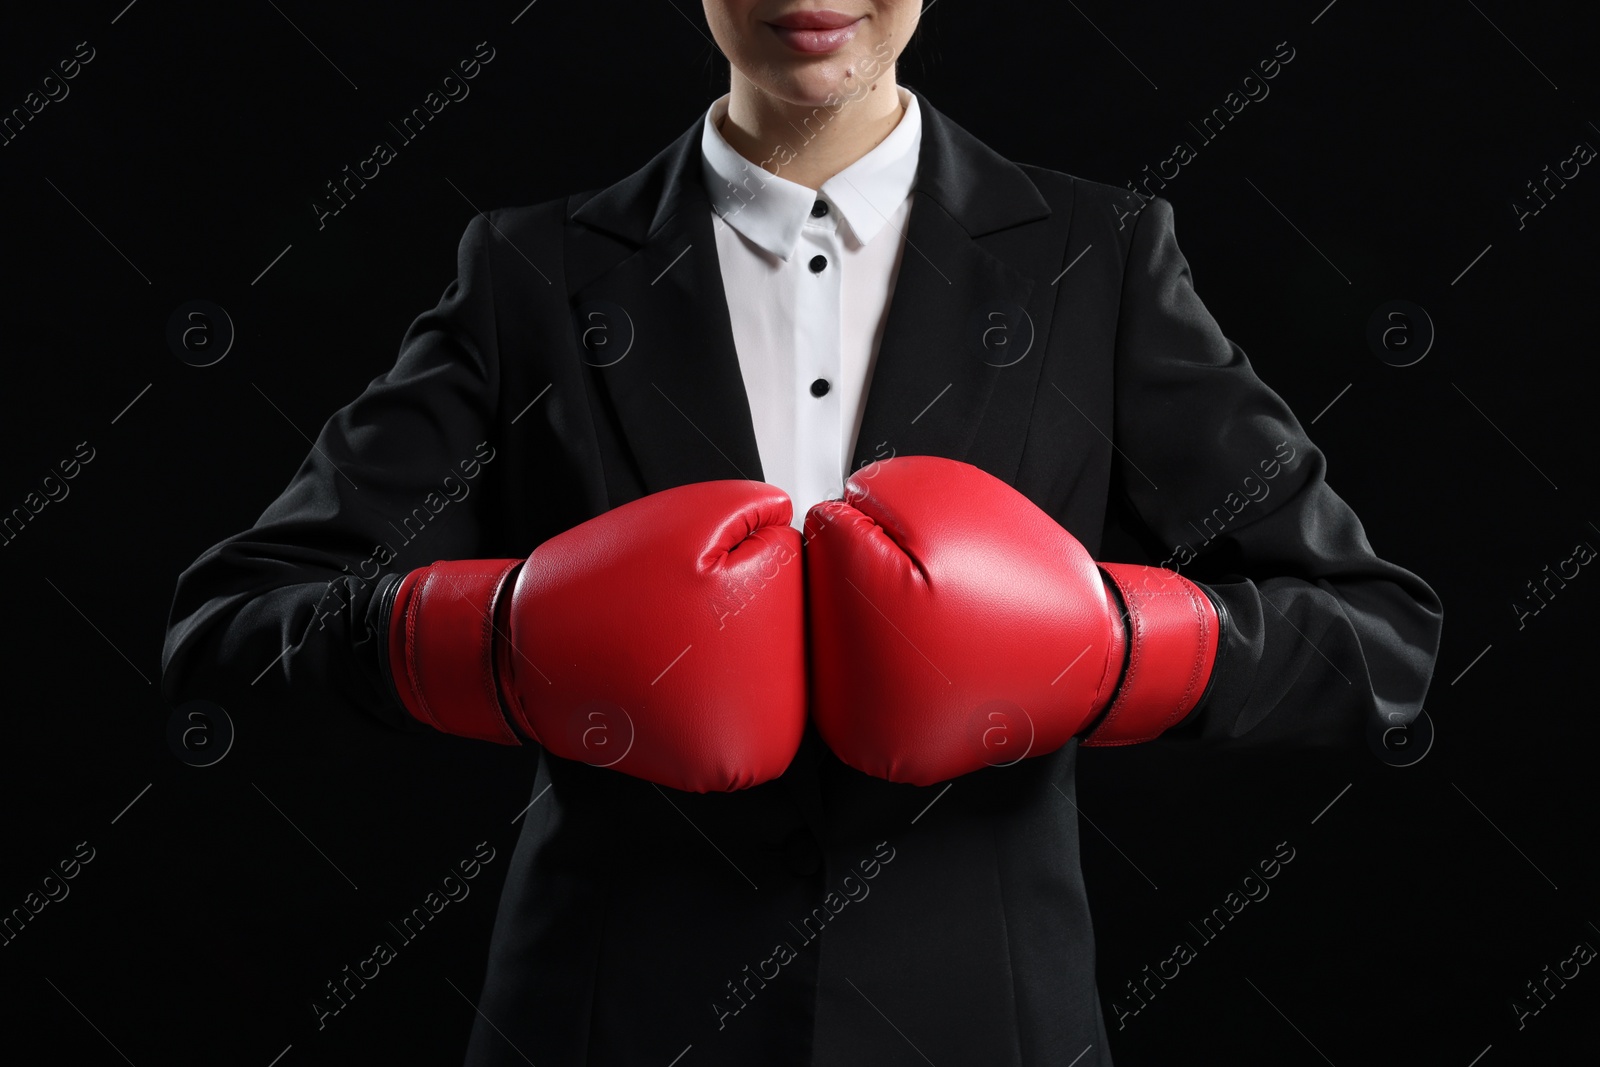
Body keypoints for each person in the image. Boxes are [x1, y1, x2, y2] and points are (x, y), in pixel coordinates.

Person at [161, 3, 1444, 1064]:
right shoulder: (529, 272)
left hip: (984, 1027)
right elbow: (231, 625)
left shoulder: (1095, 259)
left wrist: (1111, 647)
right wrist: (504, 639)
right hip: (603, 1021)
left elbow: (1379, 639)